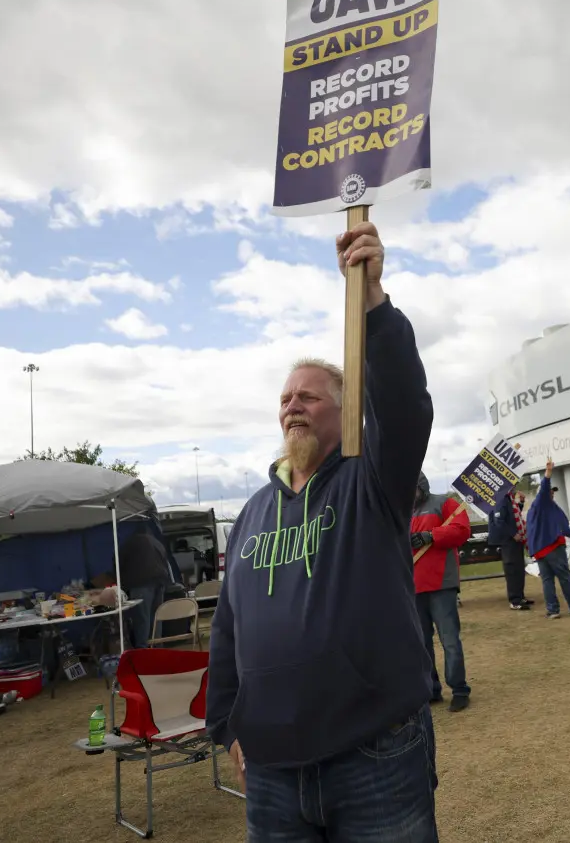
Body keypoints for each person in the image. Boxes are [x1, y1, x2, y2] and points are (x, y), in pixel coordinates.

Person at [206, 221, 439, 843]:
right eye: (285, 398)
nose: (292, 406)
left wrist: (372, 305)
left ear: (347, 409)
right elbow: (228, 627)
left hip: (375, 757)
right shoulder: (254, 514)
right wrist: (226, 722)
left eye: (309, 396)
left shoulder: (372, 483)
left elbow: (406, 407)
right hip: (273, 772)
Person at [411, 472, 472, 712]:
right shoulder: (401, 511)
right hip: (413, 586)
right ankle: (431, 689)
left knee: (449, 642)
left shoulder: (445, 503)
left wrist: (430, 536)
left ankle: (459, 689)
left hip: (442, 585)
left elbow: (461, 530)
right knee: (421, 643)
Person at [526, 459, 570, 619]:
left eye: (553, 492)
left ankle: (553, 610)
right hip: (552, 547)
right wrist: (548, 472)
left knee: (547, 581)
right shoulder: (542, 503)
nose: (552, 493)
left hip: (540, 550)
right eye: (550, 491)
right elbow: (544, 489)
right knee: (564, 577)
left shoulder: (536, 509)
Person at [117, 525, 173, 649]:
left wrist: (121, 583)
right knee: (157, 617)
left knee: (142, 619)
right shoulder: (157, 543)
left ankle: (142, 651)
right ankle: (158, 648)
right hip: (160, 582)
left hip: (141, 583)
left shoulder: (131, 543)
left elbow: (118, 562)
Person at [487, 489, 532, 610]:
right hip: (508, 540)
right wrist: (513, 533)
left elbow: (513, 516)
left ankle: (520, 596)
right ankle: (514, 600)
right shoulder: (501, 498)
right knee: (512, 569)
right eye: (513, 484)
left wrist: (521, 503)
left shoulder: (509, 499)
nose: (515, 487)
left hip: (516, 539)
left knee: (519, 568)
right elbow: (499, 520)